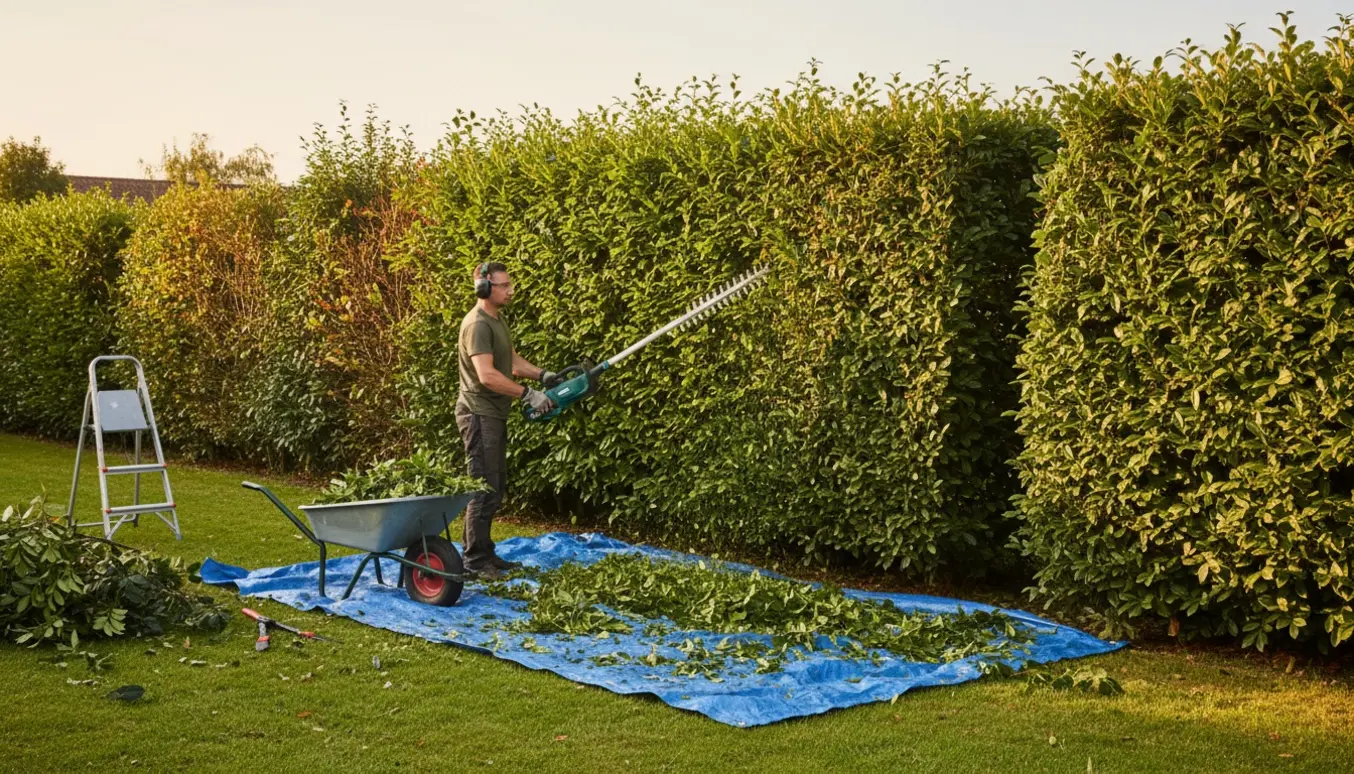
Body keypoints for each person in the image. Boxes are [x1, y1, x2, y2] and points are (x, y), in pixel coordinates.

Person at [456, 261, 556, 579]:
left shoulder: (497, 321)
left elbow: (510, 361)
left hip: (494, 414)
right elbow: (487, 376)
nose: (510, 290)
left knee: (494, 486)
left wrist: (544, 375)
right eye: (503, 285)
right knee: (483, 486)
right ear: (484, 287)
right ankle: (473, 561)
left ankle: (485, 553)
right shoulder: (477, 325)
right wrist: (529, 395)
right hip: (478, 413)